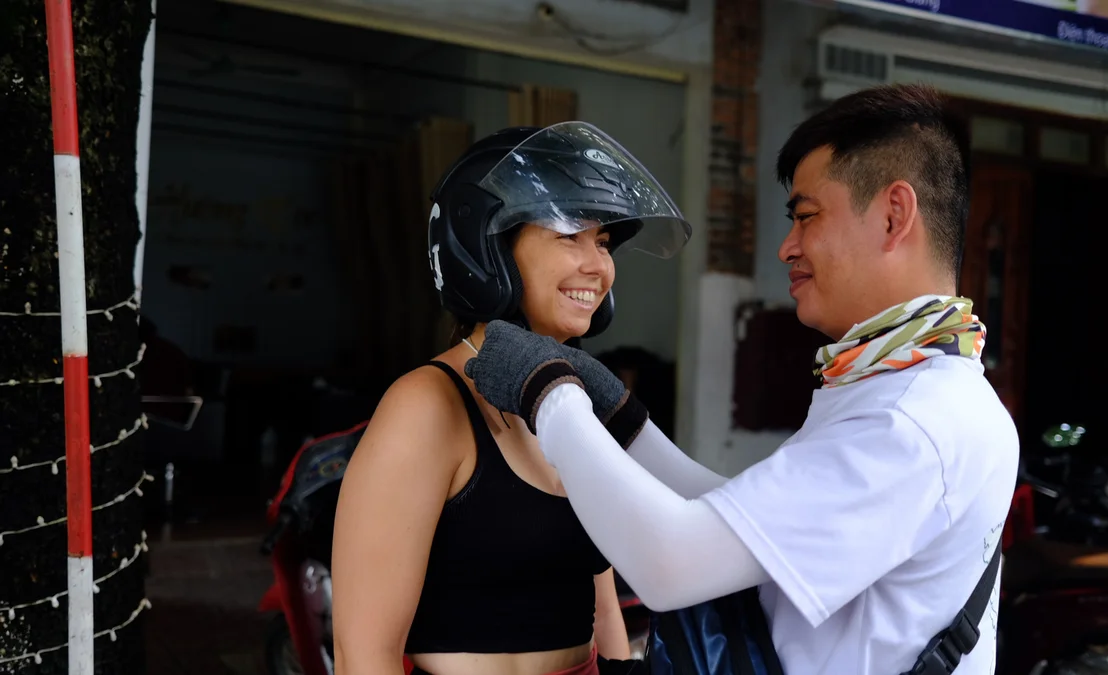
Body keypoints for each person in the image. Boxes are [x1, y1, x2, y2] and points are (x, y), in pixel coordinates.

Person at [463, 84, 1020, 675]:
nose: (787, 247)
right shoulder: (912, 384)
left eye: (806, 217)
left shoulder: (910, 419)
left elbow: (671, 562)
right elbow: (744, 527)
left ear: (893, 215)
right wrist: (625, 423)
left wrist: (550, 396)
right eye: (567, 236)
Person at [329, 122, 692, 675]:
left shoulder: (571, 402)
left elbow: (600, 601)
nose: (599, 266)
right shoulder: (427, 405)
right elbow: (365, 653)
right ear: (488, 247)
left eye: (602, 242)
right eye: (570, 235)